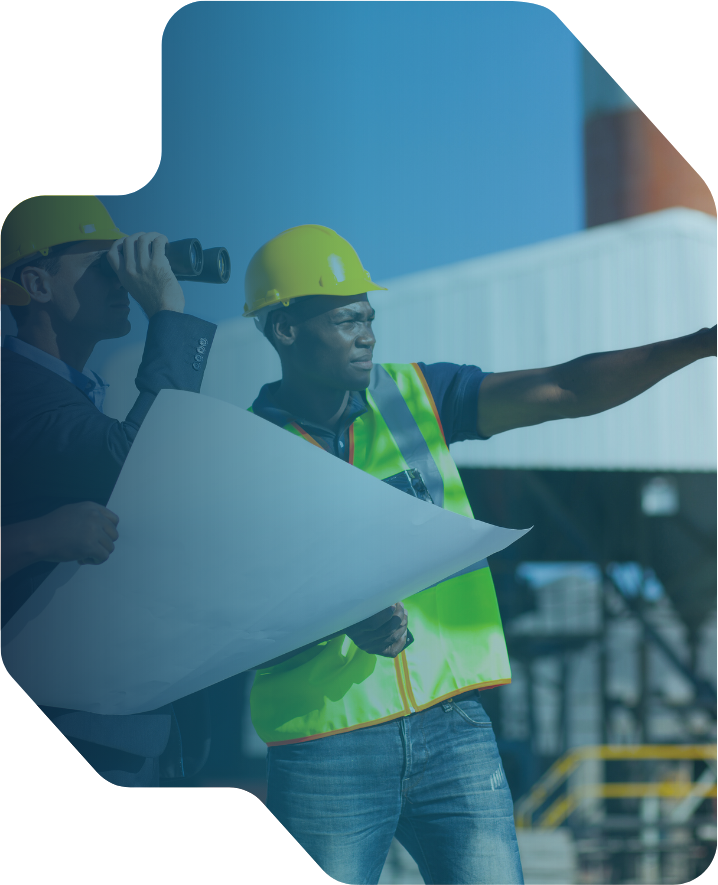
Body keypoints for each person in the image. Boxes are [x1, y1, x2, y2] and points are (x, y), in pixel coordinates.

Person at [242, 224, 717, 885]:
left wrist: (700, 343)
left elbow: (567, 388)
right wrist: (338, 617)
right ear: (284, 329)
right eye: (346, 318)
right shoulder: (242, 453)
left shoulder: (415, 397)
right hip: (329, 742)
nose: (367, 333)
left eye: (369, 316)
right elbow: (232, 608)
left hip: (452, 726)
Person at [1, 194, 215, 787]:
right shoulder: (15, 389)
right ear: (37, 284)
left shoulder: (69, 394)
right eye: (104, 264)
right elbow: (138, 462)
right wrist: (167, 313)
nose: (125, 276)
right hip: (62, 731)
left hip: (113, 725)